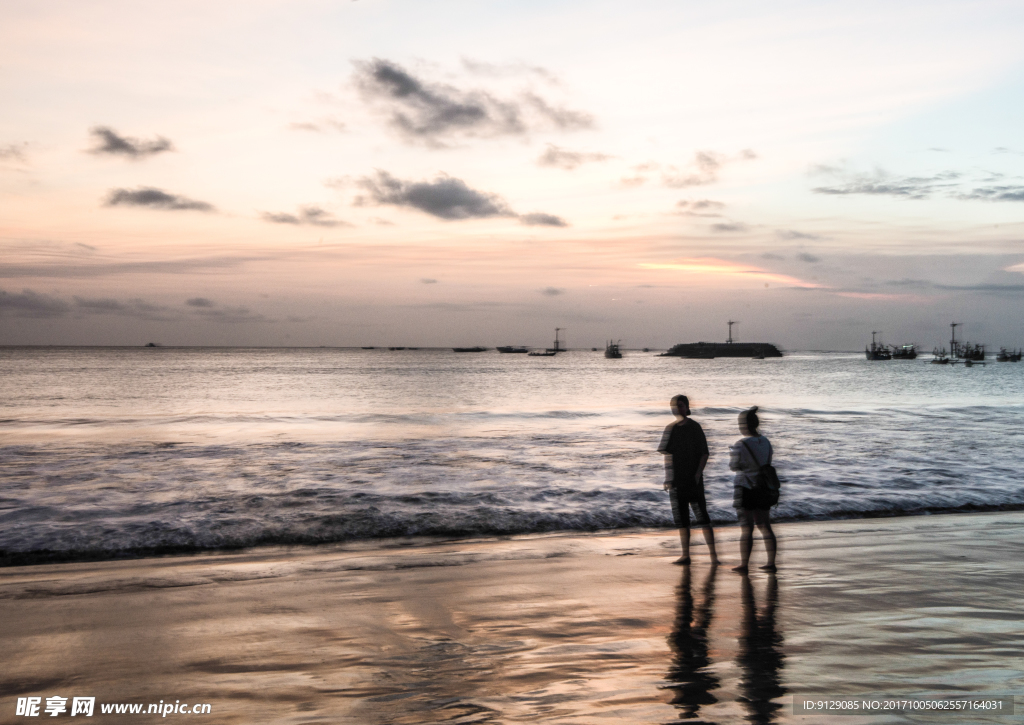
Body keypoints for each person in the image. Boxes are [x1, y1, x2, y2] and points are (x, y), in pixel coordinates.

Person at [658, 394, 720, 565]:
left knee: (702, 516)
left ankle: (714, 556)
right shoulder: (671, 429)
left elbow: (705, 453)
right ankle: (686, 555)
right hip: (678, 480)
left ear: (686, 407)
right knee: (682, 518)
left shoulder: (695, 427)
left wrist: (698, 473)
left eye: (680, 405)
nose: (677, 409)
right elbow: (668, 456)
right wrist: (668, 477)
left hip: (693, 480)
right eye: (674, 406)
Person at [729, 406, 777, 573]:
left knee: (747, 528)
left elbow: (734, 467)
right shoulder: (766, 442)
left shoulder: (741, 444)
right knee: (765, 525)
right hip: (763, 488)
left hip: (747, 487)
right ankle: (771, 562)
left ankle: (744, 564)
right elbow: (768, 463)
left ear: (745, 425)